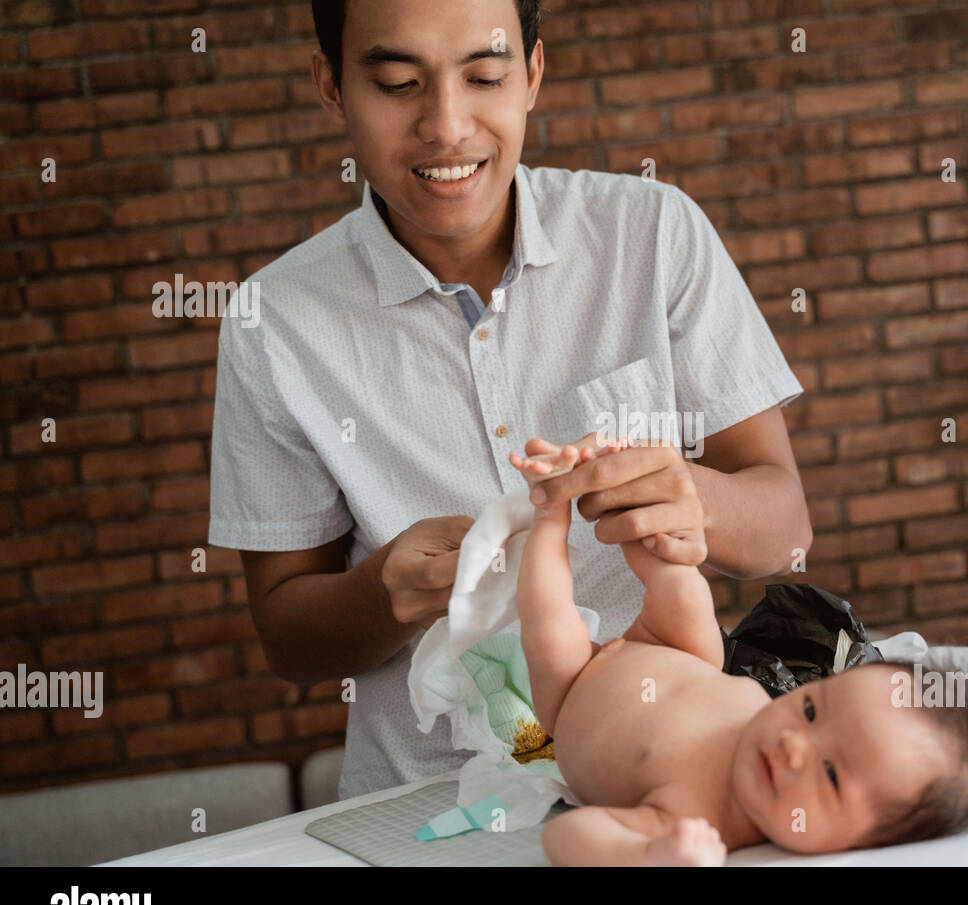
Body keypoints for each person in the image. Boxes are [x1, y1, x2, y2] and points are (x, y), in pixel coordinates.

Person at [207, 0, 812, 800]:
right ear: (332, 85)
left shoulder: (652, 233)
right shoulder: (272, 323)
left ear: (530, 75)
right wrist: (384, 591)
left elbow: (785, 529)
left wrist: (690, 500)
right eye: (396, 83)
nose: (446, 127)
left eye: (484, 76)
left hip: (673, 775)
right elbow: (288, 637)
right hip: (426, 805)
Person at [510, 436, 968, 866]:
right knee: (685, 595)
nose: (793, 744)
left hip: (573, 690)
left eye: (831, 774)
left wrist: (648, 856)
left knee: (551, 628)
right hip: (677, 653)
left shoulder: (699, 819)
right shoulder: (759, 716)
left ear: (860, 847)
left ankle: (548, 513)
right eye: (811, 710)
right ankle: (619, 496)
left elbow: (565, 837)